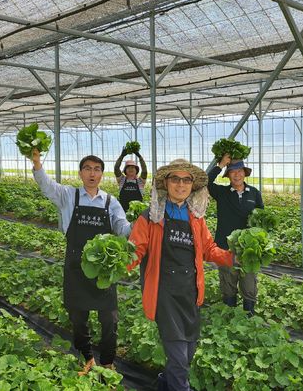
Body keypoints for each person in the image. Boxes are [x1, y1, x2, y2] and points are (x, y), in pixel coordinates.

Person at [128, 159, 233, 391]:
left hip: (190, 292)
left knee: (187, 352)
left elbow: (208, 249)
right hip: (164, 293)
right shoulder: (150, 216)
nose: (181, 184)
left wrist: (233, 257)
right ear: (166, 183)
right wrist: (119, 263)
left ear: (192, 186)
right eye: (175, 179)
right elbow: (136, 249)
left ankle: (165, 384)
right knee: (178, 358)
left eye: (186, 180)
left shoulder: (196, 218)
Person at [28, 148, 130, 375]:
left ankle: (107, 362)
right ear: (81, 172)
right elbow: (46, 185)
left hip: (103, 269)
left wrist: (138, 228)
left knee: (109, 319)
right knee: (78, 317)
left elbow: (122, 227)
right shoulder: (69, 196)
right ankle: (87, 357)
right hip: (76, 265)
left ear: (102, 174)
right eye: (87, 169)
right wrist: (37, 162)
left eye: (97, 169)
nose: (92, 174)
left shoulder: (110, 202)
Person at [207, 154, 263, 314]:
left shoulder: (254, 193)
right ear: (228, 175)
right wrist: (220, 165)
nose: (237, 174)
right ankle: (229, 314)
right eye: (232, 171)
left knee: (249, 283)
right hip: (226, 246)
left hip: (248, 249)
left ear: (245, 173)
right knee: (228, 282)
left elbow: (261, 217)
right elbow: (205, 181)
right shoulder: (221, 192)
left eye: (240, 171)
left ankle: (248, 315)